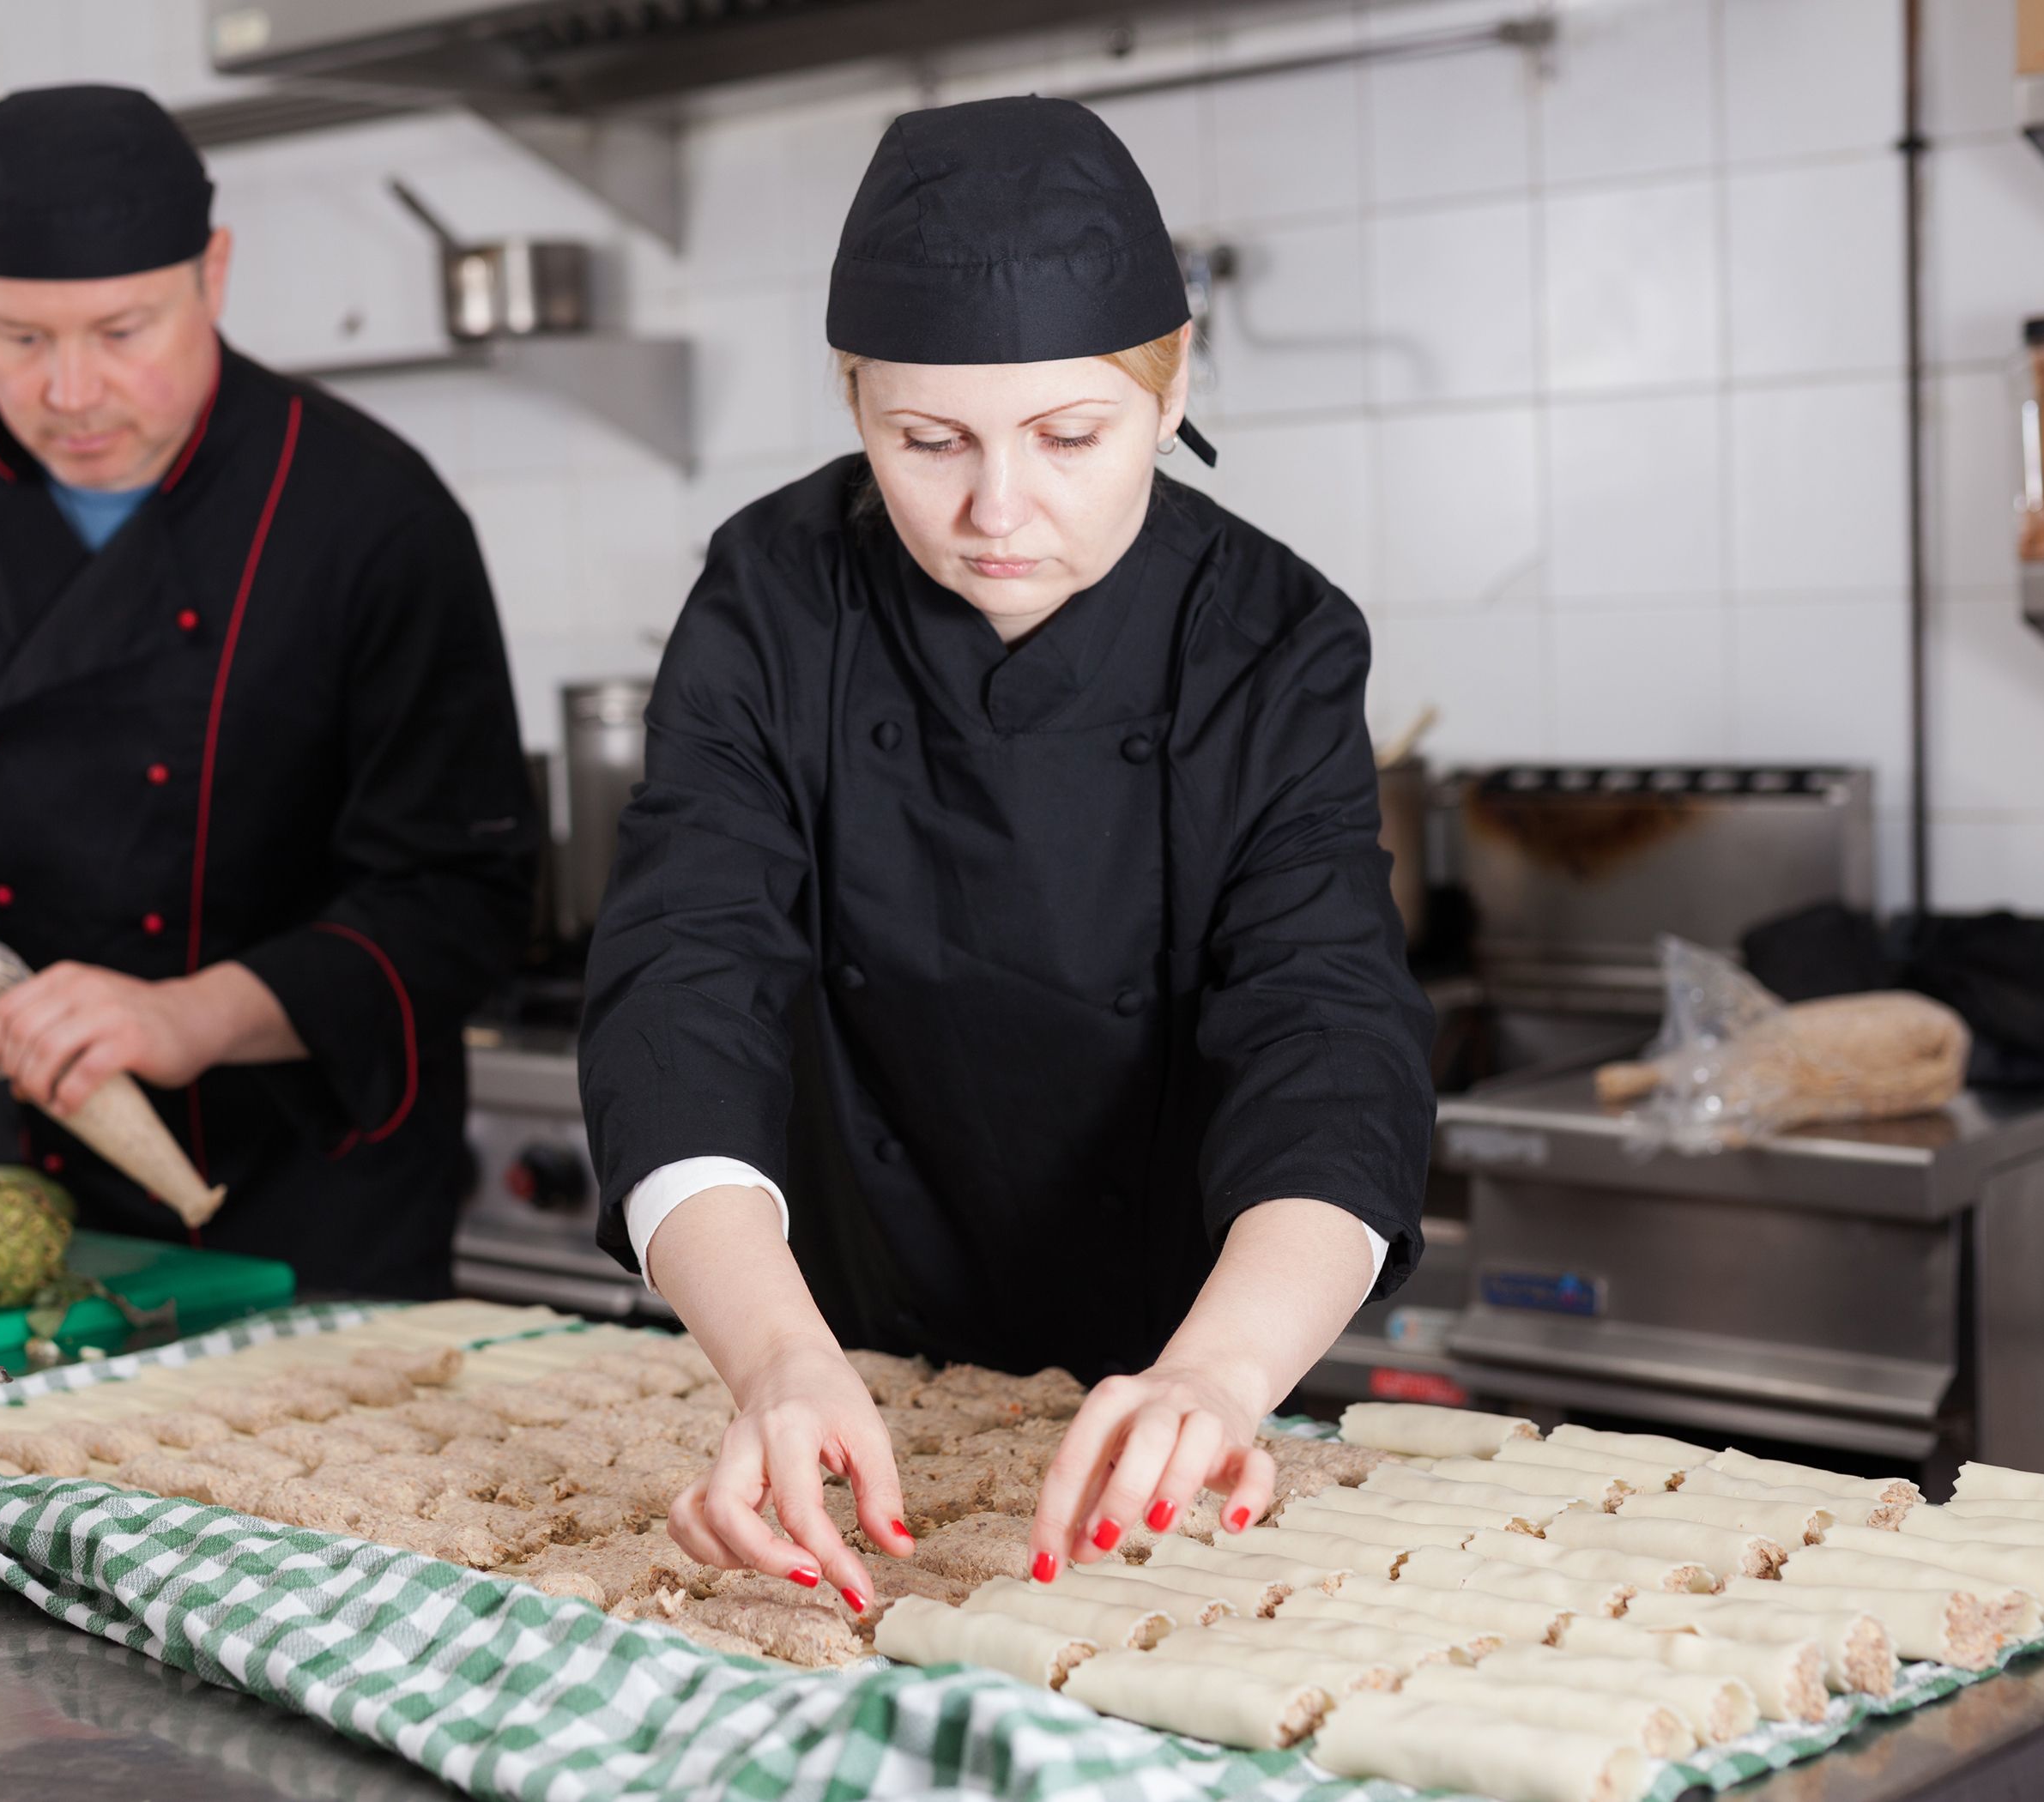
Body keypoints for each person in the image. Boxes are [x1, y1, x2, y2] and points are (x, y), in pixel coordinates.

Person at [579, 98, 1434, 1613]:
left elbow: (1326, 1027)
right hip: (844, 1347)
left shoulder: (1275, 639)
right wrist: (776, 1358)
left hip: (1183, 1361)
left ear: (1169, 401)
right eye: (927, 441)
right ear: (856, 408)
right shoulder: (772, 600)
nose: (995, 511)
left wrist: (1221, 1378)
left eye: (1069, 437)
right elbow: (685, 975)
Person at [0, 87, 535, 1296]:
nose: (70, 392)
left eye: (121, 331)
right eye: (17, 338)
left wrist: (187, 1018)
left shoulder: (369, 512)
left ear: (213, 272)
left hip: (303, 1200)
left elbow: (454, 898)